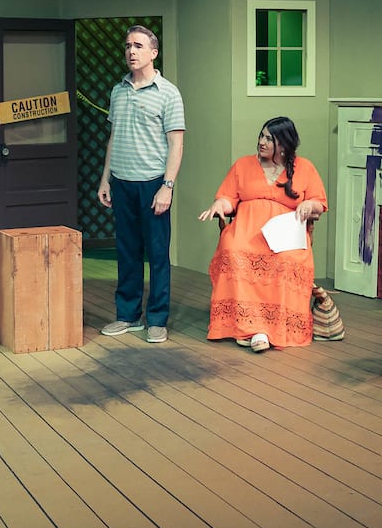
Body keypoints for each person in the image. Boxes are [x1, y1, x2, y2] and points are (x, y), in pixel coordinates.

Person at [197, 117, 327, 351]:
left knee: (287, 261)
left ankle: (270, 328)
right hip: (247, 231)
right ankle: (248, 326)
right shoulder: (243, 165)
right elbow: (228, 198)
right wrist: (219, 205)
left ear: (285, 144)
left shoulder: (304, 167)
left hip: (285, 237)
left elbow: (319, 202)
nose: (262, 142)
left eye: (270, 138)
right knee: (233, 251)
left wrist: (309, 206)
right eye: (261, 136)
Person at [96, 25, 185, 344]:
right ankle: (128, 315)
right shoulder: (118, 91)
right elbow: (113, 137)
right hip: (122, 182)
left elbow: (176, 144)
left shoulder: (168, 93)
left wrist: (168, 186)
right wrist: (105, 178)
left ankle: (157, 319)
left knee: (158, 253)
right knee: (127, 251)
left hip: (153, 185)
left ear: (153, 53)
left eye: (137, 46)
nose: (131, 51)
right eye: (127, 46)